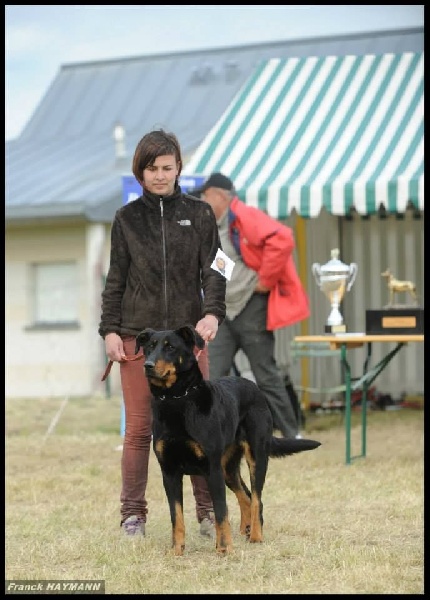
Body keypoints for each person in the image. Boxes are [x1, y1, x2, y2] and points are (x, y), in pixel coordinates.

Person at [98, 130, 226, 537]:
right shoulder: (126, 219)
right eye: (151, 168)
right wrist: (110, 331)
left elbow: (217, 269)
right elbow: (115, 281)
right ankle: (132, 514)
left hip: (187, 342)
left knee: (199, 426)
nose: (159, 175)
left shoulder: (201, 214)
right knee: (139, 430)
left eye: (166, 167)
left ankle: (207, 512)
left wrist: (213, 314)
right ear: (140, 171)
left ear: (178, 169)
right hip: (139, 341)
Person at [192, 172, 310, 439]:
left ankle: (292, 434)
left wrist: (265, 280)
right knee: (212, 376)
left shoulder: (244, 215)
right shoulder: (216, 225)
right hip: (223, 311)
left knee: (265, 374)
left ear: (220, 196)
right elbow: (227, 264)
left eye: (206, 195)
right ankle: (208, 434)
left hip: (251, 307)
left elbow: (283, 238)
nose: (203, 200)